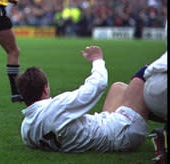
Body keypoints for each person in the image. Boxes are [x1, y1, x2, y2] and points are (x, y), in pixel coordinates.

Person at [16, 46, 149, 152]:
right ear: (45, 89)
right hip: (123, 133)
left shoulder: (26, 130)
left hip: (107, 129)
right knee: (145, 74)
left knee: (118, 88)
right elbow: (98, 84)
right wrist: (97, 60)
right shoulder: (57, 107)